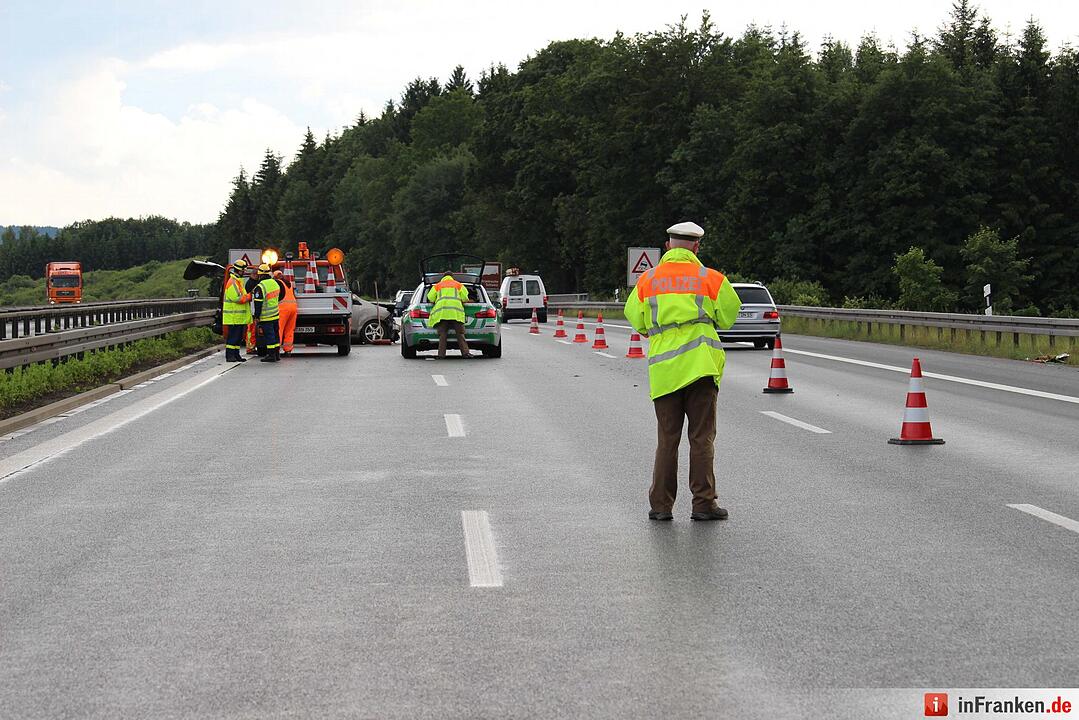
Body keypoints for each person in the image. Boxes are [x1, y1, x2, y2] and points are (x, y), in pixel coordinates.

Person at [623, 221, 741, 521]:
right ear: (697, 247)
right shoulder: (711, 279)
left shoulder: (648, 280)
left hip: (664, 373)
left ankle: (661, 507)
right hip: (701, 369)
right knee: (701, 439)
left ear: (668, 247)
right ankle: (703, 504)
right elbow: (728, 317)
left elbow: (635, 318)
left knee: (668, 440)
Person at [426, 273, 472, 359]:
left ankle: (441, 355)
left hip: (442, 313)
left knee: (442, 335)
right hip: (456, 312)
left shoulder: (437, 286)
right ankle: (466, 353)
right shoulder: (458, 285)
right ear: (452, 277)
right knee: (460, 333)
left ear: (443, 277)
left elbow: (430, 298)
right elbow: (465, 298)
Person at [222, 259, 252, 363]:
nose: (244, 272)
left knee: (238, 338)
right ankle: (230, 356)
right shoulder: (232, 282)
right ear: (239, 270)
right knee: (233, 338)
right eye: (243, 270)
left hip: (238, 317)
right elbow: (237, 298)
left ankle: (236, 355)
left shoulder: (238, 282)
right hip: (233, 317)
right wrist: (249, 296)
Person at [252, 263, 282, 363]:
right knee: (276, 335)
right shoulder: (275, 283)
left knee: (269, 336)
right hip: (275, 314)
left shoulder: (260, 287)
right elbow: (280, 296)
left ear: (260, 275)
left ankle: (271, 355)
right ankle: (277, 354)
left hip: (266, 317)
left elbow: (258, 304)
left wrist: (257, 316)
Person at [274, 270, 297, 355]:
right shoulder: (289, 283)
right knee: (290, 330)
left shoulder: (278, 283)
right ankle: (288, 349)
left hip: (283, 309)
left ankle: (276, 349)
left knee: (279, 329)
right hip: (293, 308)